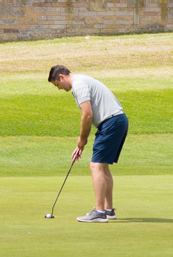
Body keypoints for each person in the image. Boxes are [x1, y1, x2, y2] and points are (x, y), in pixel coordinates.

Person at [48, 64, 129, 223]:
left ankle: (99, 212)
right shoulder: (82, 81)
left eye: (57, 85)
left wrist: (82, 140)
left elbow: (87, 115)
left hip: (112, 122)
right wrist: (81, 143)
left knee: (96, 166)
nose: (58, 88)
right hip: (117, 120)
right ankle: (108, 209)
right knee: (103, 166)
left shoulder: (78, 85)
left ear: (62, 77)